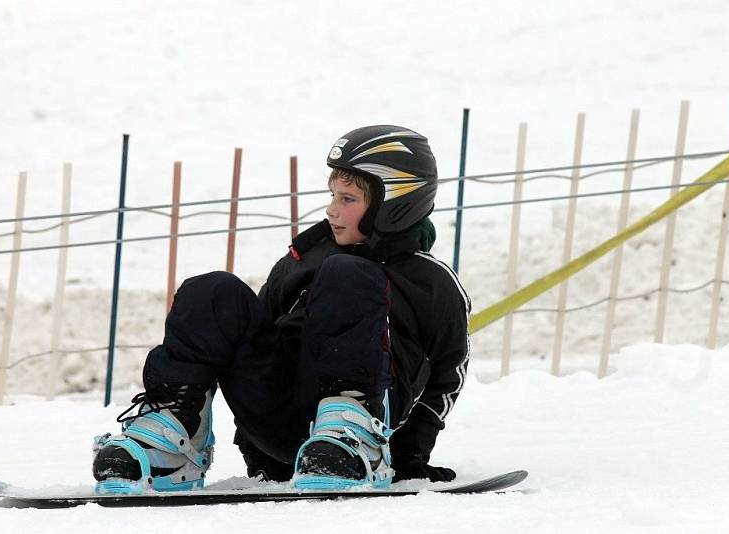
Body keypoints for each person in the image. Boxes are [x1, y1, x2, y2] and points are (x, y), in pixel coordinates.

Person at [92, 125, 471, 493]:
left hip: (373, 426)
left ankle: (352, 435)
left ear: (396, 204)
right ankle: (171, 440)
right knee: (212, 290)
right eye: (333, 195)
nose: (332, 210)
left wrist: (410, 455)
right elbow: (256, 342)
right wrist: (260, 456)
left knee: (347, 274)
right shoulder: (304, 260)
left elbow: (446, 375)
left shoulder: (430, 282)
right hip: (283, 416)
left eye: (348, 199)